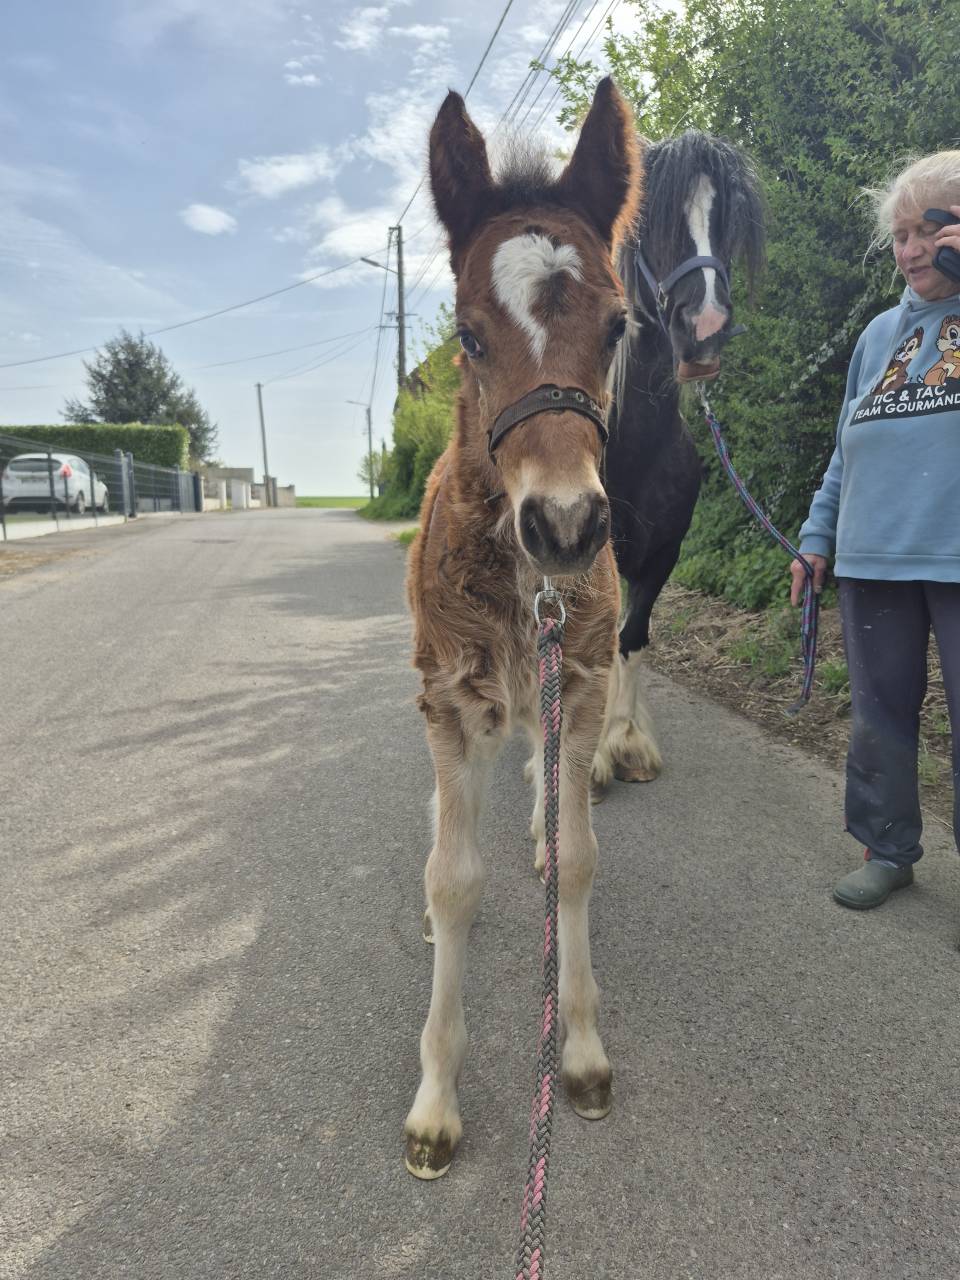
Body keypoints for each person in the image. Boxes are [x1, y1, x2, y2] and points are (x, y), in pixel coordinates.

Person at [791, 152, 960, 909]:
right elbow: (845, 448)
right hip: (872, 557)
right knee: (879, 718)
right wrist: (816, 537)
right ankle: (888, 849)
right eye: (900, 235)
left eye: (929, 229)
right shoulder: (878, 334)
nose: (912, 249)